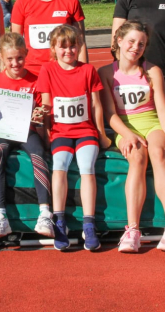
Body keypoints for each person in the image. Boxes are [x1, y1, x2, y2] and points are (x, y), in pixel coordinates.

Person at [97, 21, 165, 253]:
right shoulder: (106, 73)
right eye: (131, 41)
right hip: (125, 127)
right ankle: (132, 230)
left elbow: (162, 109)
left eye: (141, 44)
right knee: (137, 157)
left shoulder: (152, 71)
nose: (136, 47)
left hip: (152, 124)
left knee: (158, 152)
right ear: (119, 41)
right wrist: (127, 135)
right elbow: (110, 114)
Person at [38, 25, 110, 251]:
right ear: (53, 48)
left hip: (85, 131)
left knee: (87, 166)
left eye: (73, 46)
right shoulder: (47, 70)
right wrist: (46, 132)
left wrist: (101, 133)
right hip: (61, 132)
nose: (68, 51)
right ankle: (59, 220)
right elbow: (46, 104)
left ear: (79, 47)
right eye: (63, 47)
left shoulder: (88, 70)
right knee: (59, 165)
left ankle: (89, 224)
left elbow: (96, 105)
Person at [0, 32, 53, 240]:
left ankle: (45, 213)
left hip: (27, 131)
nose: (15, 63)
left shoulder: (35, 80)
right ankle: (0, 215)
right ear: (1, 58)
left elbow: (43, 111)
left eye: (20, 58)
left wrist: (39, 114)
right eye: (10, 59)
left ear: (26, 54)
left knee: (38, 153)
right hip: (2, 131)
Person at [11, 0, 88, 76]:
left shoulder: (71, 1)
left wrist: (84, 74)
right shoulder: (22, 3)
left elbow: (81, 42)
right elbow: (15, 44)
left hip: (64, 72)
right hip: (32, 74)